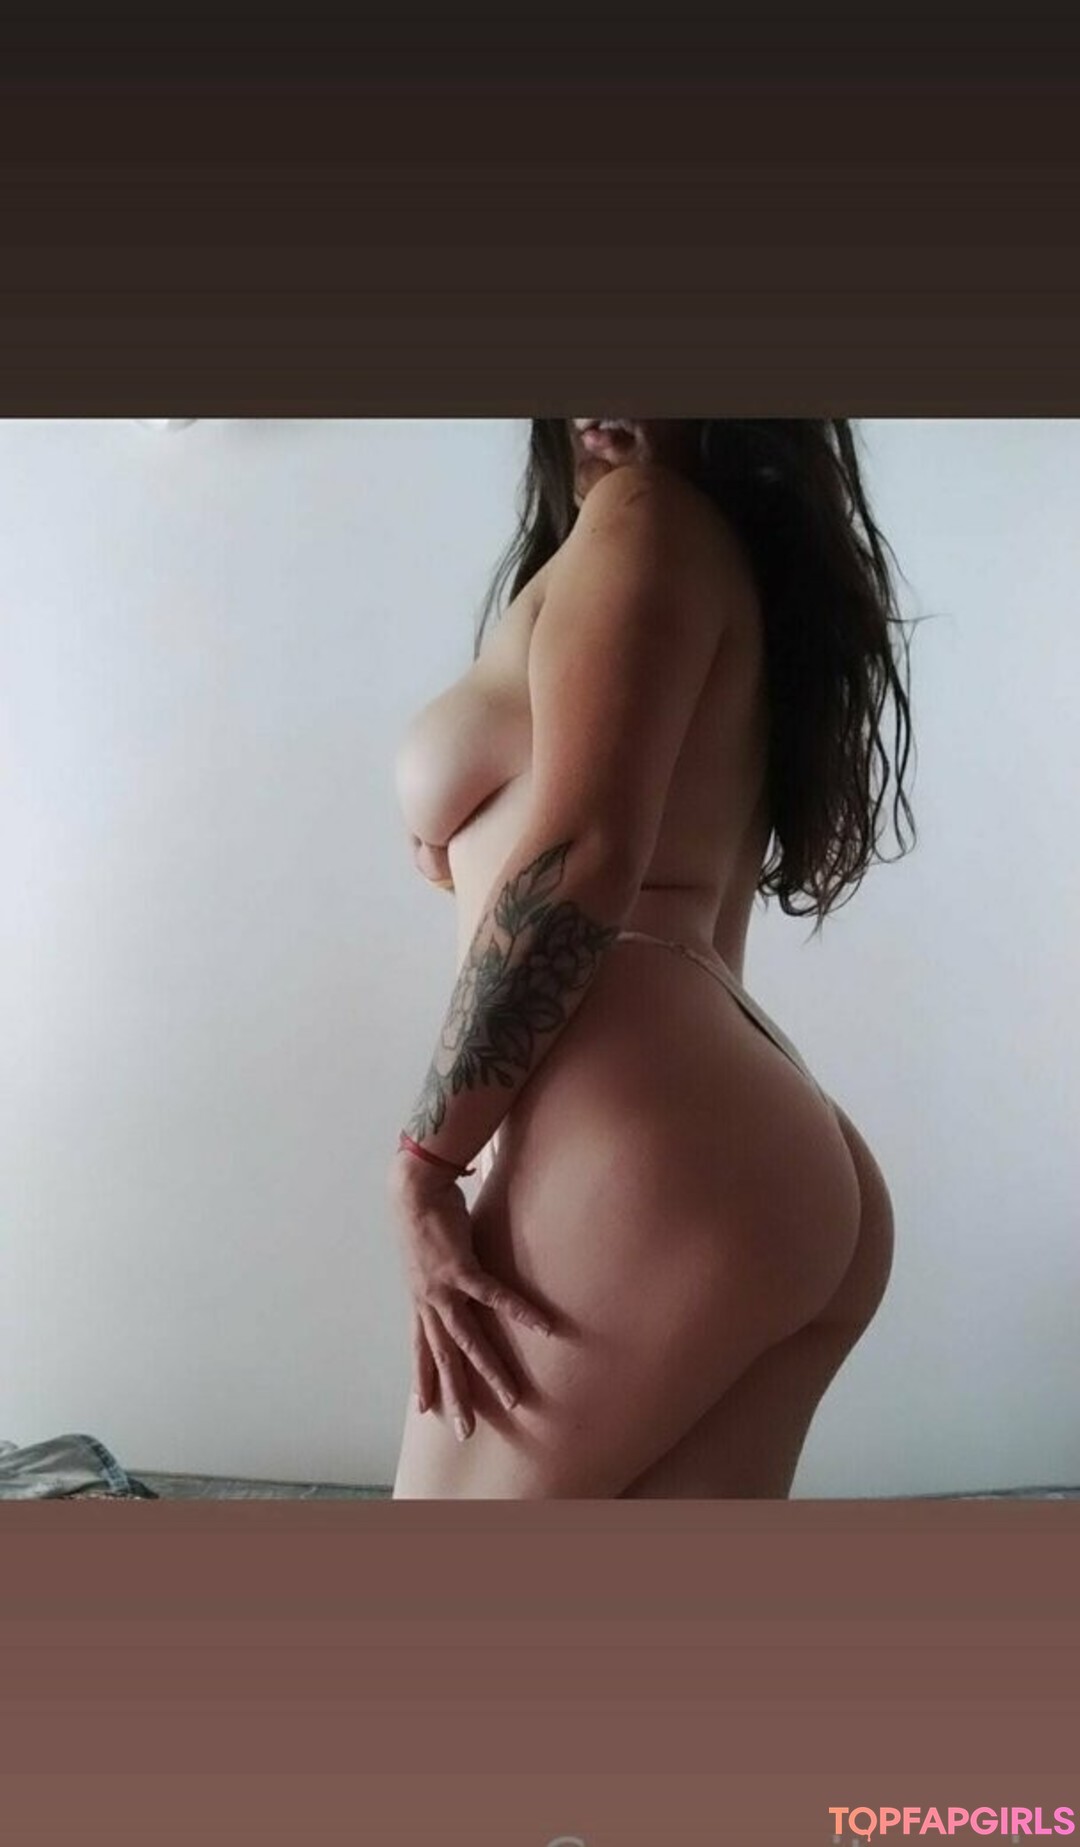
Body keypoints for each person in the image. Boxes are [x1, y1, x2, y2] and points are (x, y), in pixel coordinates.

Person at [388, 417, 914, 1498]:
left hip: (635, 1134)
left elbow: (586, 853)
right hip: (746, 1143)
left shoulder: (643, 518)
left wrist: (427, 1163)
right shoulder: (714, 565)